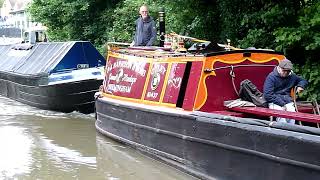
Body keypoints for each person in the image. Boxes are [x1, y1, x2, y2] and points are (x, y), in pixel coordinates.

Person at [263, 58, 308, 124]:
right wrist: (282, 104)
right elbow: (268, 95)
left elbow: (303, 80)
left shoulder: (292, 76)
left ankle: (291, 132)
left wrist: (300, 86)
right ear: (279, 68)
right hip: (274, 101)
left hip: (288, 101)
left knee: (292, 115)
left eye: (288, 71)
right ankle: (282, 132)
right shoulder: (271, 77)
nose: (286, 73)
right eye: (284, 70)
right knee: (281, 116)